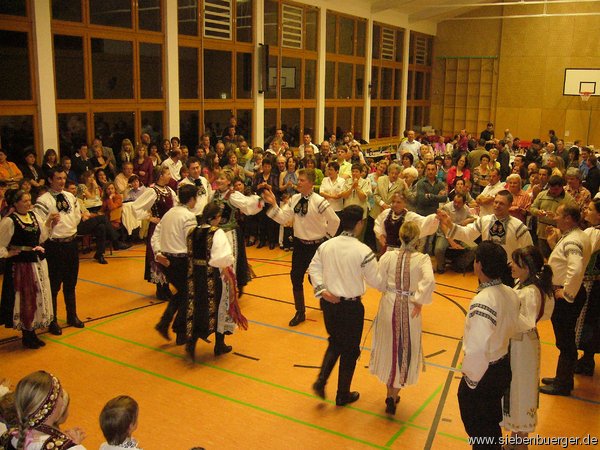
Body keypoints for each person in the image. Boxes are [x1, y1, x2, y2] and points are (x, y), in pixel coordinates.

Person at [308, 205, 382, 406]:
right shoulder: (363, 250)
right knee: (350, 350)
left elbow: (313, 268)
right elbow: (377, 281)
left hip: (329, 304)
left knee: (335, 341)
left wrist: (322, 291)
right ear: (359, 224)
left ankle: (322, 380)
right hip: (351, 308)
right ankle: (342, 394)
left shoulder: (327, 245)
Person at [458, 242, 520, 450]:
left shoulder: (483, 300)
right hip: (501, 367)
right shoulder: (510, 293)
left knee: (480, 428)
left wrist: (470, 381)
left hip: (485, 373)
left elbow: (476, 349)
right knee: (490, 423)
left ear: (479, 265)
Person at [370, 221, 435, 415]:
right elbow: (429, 280)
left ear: (400, 236)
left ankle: (390, 393)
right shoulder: (422, 259)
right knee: (404, 348)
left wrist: (387, 290)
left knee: (390, 346)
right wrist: (419, 299)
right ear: (417, 239)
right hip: (409, 305)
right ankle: (393, 394)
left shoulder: (388, 256)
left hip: (388, 304)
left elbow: (378, 280)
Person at [262, 169, 340, 326]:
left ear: (311, 183)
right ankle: (300, 312)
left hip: (317, 246)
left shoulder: (319, 201)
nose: (299, 182)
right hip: (299, 245)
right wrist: (274, 204)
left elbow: (334, 220)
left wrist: (327, 239)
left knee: (315, 278)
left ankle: (327, 301)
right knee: (295, 278)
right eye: (299, 179)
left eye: (302, 180)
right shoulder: (294, 199)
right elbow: (284, 218)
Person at [502, 246, 554, 447]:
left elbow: (526, 321)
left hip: (522, 345)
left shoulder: (530, 292)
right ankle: (516, 439)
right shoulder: (525, 286)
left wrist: (503, 322)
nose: (511, 266)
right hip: (521, 343)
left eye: (515, 263)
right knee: (517, 387)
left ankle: (520, 441)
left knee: (521, 388)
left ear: (526, 267)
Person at [185, 202, 247, 361]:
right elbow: (222, 256)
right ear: (215, 218)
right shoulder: (216, 233)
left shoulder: (192, 231)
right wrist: (227, 270)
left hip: (195, 275)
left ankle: (192, 342)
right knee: (220, 306)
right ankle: (219, 344)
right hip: (213, 275)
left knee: (197, 306)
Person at [540, 204, 592, 396]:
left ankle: (563, 384)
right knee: (565, 339)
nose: (556, 218)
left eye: (559, 215)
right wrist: (554, 243)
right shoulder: (577, 236)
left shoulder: (573, 241)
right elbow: (564, 262)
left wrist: (567, 292)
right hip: (571, 295)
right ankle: (563, 378)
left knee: (565, 340)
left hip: (566, 299)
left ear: (569, 218)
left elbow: (575, 267)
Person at [0, 189, 53, 349]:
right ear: (15, 204)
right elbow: (1, 243)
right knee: (24, 299)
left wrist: (50, 222)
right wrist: (7, 253)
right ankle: (27, 333)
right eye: (24, 201)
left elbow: (42, 237)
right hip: (21, 267)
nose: (29, 203)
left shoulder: (34, 216)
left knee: (37, 296)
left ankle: (33, 331)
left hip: (36, 263)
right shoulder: (10, 221)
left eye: (30, 200)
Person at [34, 166, 84, 335]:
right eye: (58, 178)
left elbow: (76, 217)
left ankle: (72, 315)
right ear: (50, 179)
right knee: (54, 284)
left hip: (71, 243)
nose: (62, 181)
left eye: (64, 178)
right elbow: (39, 228)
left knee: (71, 282)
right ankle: (52, 320)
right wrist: (49, 223)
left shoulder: (70, 196)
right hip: (54, 245)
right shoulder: (43, 200)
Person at [152, 184, 198, 345]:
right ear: (192, 199)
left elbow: (155, 234)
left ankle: (164, 323)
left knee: (182, 293)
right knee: (188, 294)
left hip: (166, 261)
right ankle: (180, 331)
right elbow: (192, 241)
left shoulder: (169, 213)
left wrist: (158, 253)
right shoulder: (188, 216)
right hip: (180, 261)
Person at [438, 191, 533, 264]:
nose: (497, 206)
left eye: (501, 203)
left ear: (509, 205)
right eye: (496, 202)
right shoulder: (484, 221)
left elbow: (528, 251)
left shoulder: (518, 226)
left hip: (508, 269)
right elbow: (467, 234)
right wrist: (450, 224)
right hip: (486, 268)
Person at [0, 371, 86, 449]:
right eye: (61, 396)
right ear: (53, 406)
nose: (62, 401)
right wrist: (73, 446)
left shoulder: (10, 436)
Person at [132, 167, 177, 300]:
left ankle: (166, 286)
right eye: (168, 174)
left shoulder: (169, 191)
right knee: (158, 255)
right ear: (161, 176)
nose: (170, 176)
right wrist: (149, 218)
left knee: (167, 255)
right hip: (157, 230)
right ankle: (160, 289)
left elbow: (176, 204)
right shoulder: (152, 191)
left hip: (168, 229)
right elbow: (136, 207)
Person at [575, 199, 600, 376]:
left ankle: (587, 359)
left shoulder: (593, 233)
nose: (586, 211)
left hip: (591, 284)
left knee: (587, 321)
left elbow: (581, 256)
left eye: (590, 209)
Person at [373, 192, 439, 254]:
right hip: (387, 250)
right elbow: (378, 223)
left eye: (398, 202)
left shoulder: (410, 216)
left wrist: (437, 217)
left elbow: (424, 222)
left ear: (405, 204)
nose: (395, 204)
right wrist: (380, 235)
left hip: (403, 252)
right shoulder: (386, 213)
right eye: (393, 202)